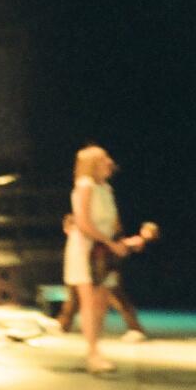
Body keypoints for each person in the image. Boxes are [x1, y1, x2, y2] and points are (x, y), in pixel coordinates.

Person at [63, 145, 128, 373]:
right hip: (86, 248)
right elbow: (82, 222)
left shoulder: (106, 188)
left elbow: (113, 222)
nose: (109, 162)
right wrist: (109, 243)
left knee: (101, 302)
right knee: (89, 302)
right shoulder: (85, 185)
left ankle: (96, 349)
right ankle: (92, 354)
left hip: (103, 248)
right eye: (103, 159)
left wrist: (120, 242)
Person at [56, 213, 148, 342]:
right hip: (88, 270)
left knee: (117, 297)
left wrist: (129, 244)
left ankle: (136, 329)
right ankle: (63, 325)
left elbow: (113, 243)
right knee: (73, 298)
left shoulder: (95, 232)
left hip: (105, 268)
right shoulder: (80, 238)